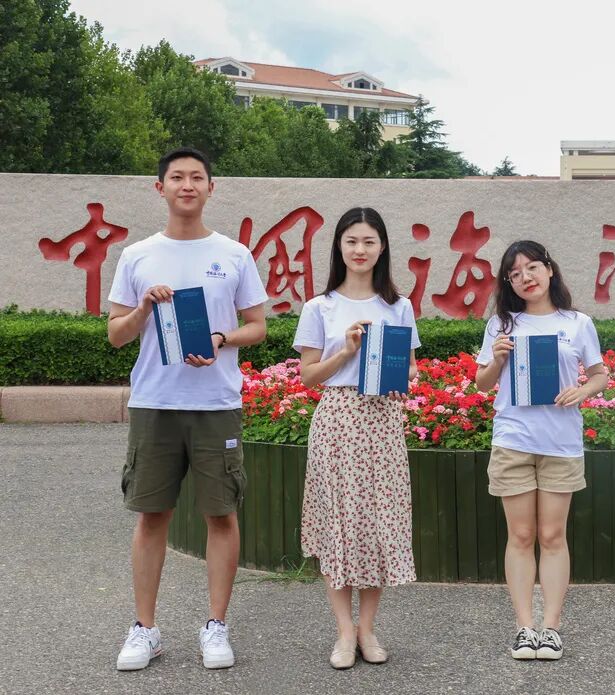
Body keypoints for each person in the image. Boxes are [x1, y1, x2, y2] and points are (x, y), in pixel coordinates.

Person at [108, 146, 268, 671]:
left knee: (221, 513)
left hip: (216, 402)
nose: (187, 185)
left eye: (197, 177)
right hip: (155, 401)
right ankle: (144, 628)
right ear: (160, 188)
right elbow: (115, 335)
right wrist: (143, 308)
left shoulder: (234, 255)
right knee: (152, 514)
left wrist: (222, 338)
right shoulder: (137, 256)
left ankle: (216, 625)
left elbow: (258, 327)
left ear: (210, 188)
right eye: (176, 177)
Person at [293, 207, 420, 670]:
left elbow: (411, 368)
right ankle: (344, 632)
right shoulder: (320, 307)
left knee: (377, 522)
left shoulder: (398, 306)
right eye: (351, 241)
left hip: (382, 420)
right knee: (338, 524)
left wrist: (403, 377)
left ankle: (367, 629)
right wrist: (347, 351)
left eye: (369, 241)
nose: (360, 250)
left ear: (382, 247)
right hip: (338, 418)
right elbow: (308, 376)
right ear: (339, 247)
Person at [475, 240, 608, 661]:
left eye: (532, 267)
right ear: (508, 283)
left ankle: (551, 628)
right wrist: (497, 359)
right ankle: (524, 628)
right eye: (515, 273)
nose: (525, 277)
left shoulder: (577, 323)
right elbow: (482, 383)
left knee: (552, 536)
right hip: (513, 441)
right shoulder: (502, 324)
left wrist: (581, 391)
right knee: (520, 535)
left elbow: (600, 374)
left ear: (549, 269)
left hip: (560, 443)